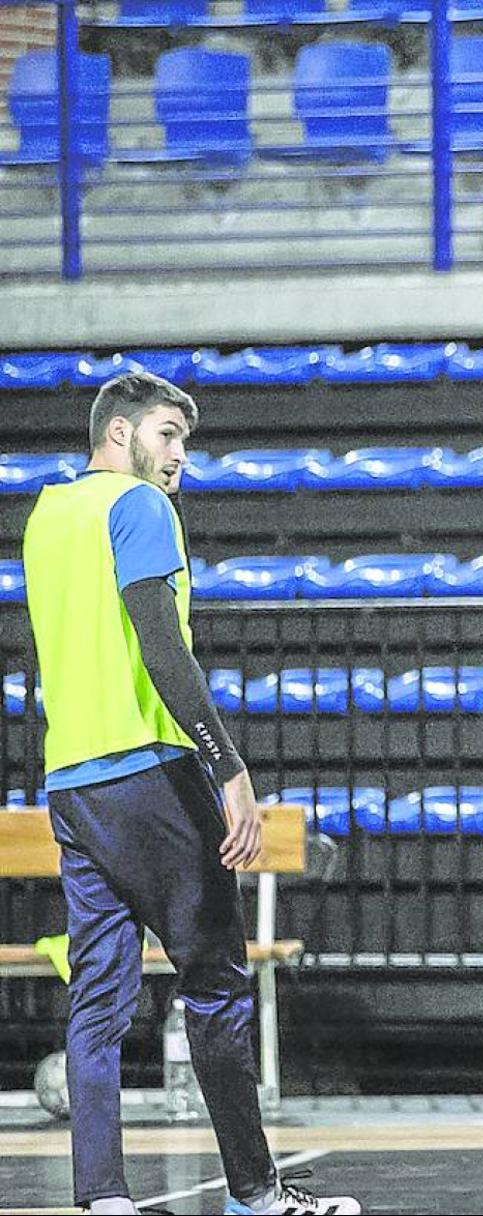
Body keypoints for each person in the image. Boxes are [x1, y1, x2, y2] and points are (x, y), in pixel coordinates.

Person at [22, 371, 361, 1216]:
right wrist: (230, 769)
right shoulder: (137, 508)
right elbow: (160, 643)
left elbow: (46, 654)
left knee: (98, 1000)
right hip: (153, 772)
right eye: (168, 434)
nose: (180, 457)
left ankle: (101, 1195)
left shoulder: (45, 516)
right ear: (119, 432)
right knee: (214, 985)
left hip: (72, 781)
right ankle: (256, 1192)